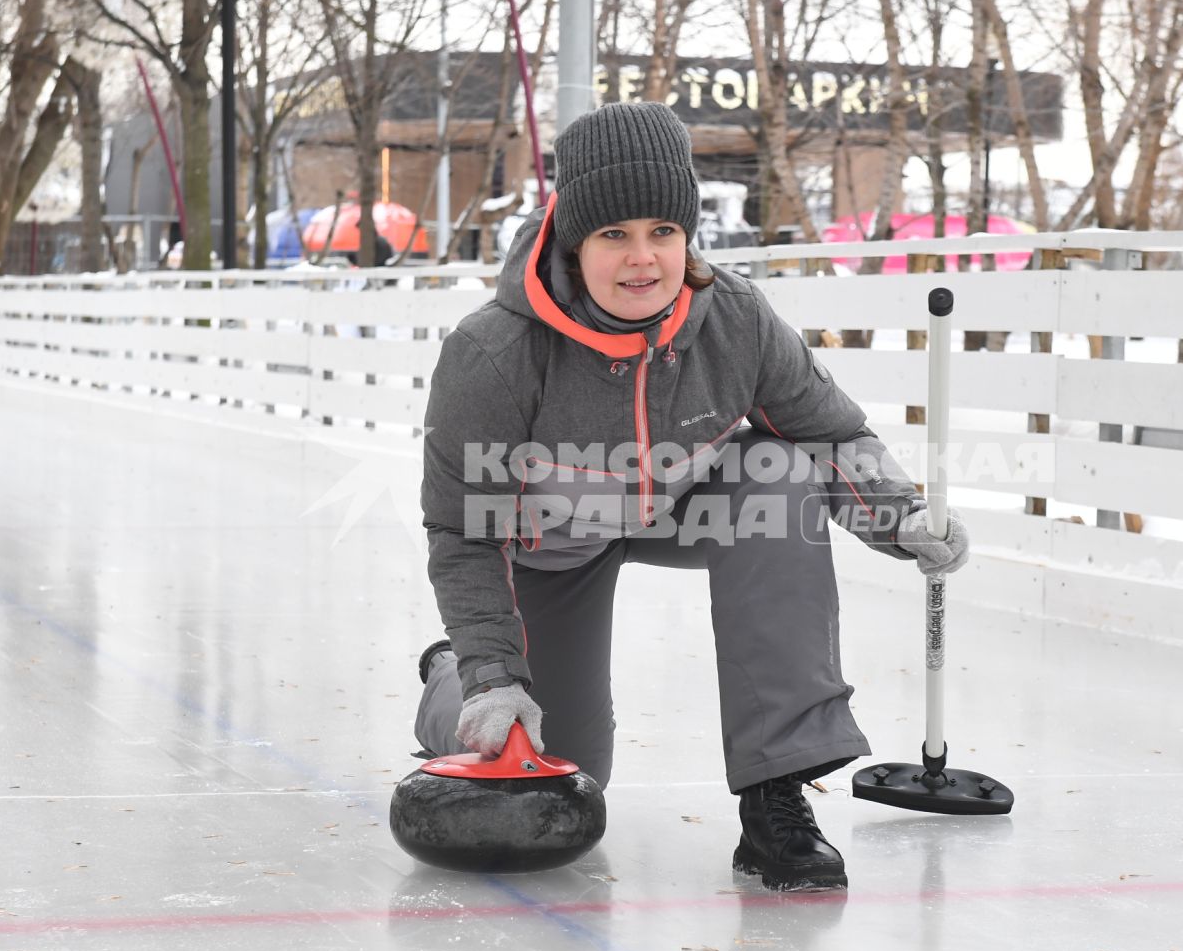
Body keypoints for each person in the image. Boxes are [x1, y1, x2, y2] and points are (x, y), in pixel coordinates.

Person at [413, 103, 968, 891]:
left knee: (774, 476)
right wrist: (492, 672)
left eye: (663, 233)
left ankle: (775, 798)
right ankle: (452, 677)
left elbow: (828, 434)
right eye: (614, 235)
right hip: (548, 546)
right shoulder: (494, 353)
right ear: (574, 237)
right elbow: (465, 528)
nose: (643, 260)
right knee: (566, 768)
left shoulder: (733, 318)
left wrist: (898, 513)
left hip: (680, 504)